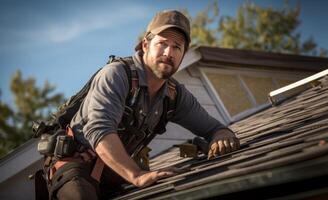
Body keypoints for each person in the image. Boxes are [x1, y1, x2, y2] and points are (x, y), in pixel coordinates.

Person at [48, 10, 240, 199]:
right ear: (145, 45)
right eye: (162, 44)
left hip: (114, 174)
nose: (168, 53)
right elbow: (99, 130)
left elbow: (214, 128)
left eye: (177, 47)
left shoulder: (175, 95)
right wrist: (137, 175)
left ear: (182, 55)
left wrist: (223, 136)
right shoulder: (116, 74)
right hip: (76, 167)